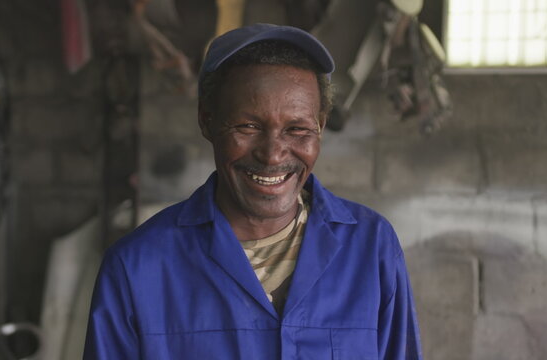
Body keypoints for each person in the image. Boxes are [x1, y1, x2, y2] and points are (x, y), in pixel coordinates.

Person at [84, 23, 422, 359]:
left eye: (297, 129)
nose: (273, 154)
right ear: (207, 120)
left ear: (320, 126)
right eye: (248, 126)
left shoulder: (371, 247)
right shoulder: (137, 267)